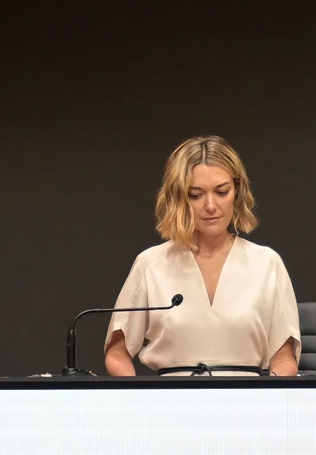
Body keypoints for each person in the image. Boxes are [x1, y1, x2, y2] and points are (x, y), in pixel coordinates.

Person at [105, 136, 302, 376]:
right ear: (179, 197)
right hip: (172, 397)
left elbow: (284, 359)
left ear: (237, 191)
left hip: (245, 397)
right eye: (196, 195)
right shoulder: (151, 264)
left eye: (221, 192)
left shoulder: (266, 263)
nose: (210, 205)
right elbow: (117, 353)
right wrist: (141, 396)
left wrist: (264, 396)